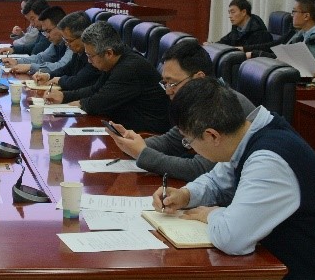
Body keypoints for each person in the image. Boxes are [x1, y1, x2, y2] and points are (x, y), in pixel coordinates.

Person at [152, 78, 315, 280]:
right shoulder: (247, 135)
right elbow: (216, 180)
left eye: (188, 141)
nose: (190, 148)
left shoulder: (268, 159)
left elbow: (232, 239)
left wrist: (210, 214)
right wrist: (186, 194)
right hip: (284, 271)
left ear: (212, 135)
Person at [108, 38, 254, 181]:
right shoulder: (197, 101)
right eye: (165, 83)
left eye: (172, 83)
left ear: (199, 78)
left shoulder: (221, 105)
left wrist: (142, 153)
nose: (168, 91)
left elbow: (200, 169)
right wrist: (131, 143)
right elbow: (172, 142)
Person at [43, 21, 169, 133]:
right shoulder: (116, 59)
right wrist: (64, 96)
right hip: (124, 127)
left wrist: (77, 103)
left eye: (90, 56)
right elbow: (95, 89)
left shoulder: (129, 68)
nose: (89, 61)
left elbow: (99, 103)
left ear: (109, 53)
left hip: (145, 135)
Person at [34, 12, 96, 90]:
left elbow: (79, 81)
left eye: (69, 41)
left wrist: (59, 80)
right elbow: (67, 69)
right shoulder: (78, 51)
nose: (67, 44)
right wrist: (48, 75)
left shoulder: (94, 55)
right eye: (65, 40)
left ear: (83, 36)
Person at [2, 6, 68, 75]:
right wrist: (17, 61)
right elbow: (41, 58)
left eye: (48, 31)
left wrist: (31, 67)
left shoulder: (71, 43)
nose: (47, 36)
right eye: (45, 32)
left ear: (61, 26)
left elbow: (62, 66)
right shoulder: (56, 42)